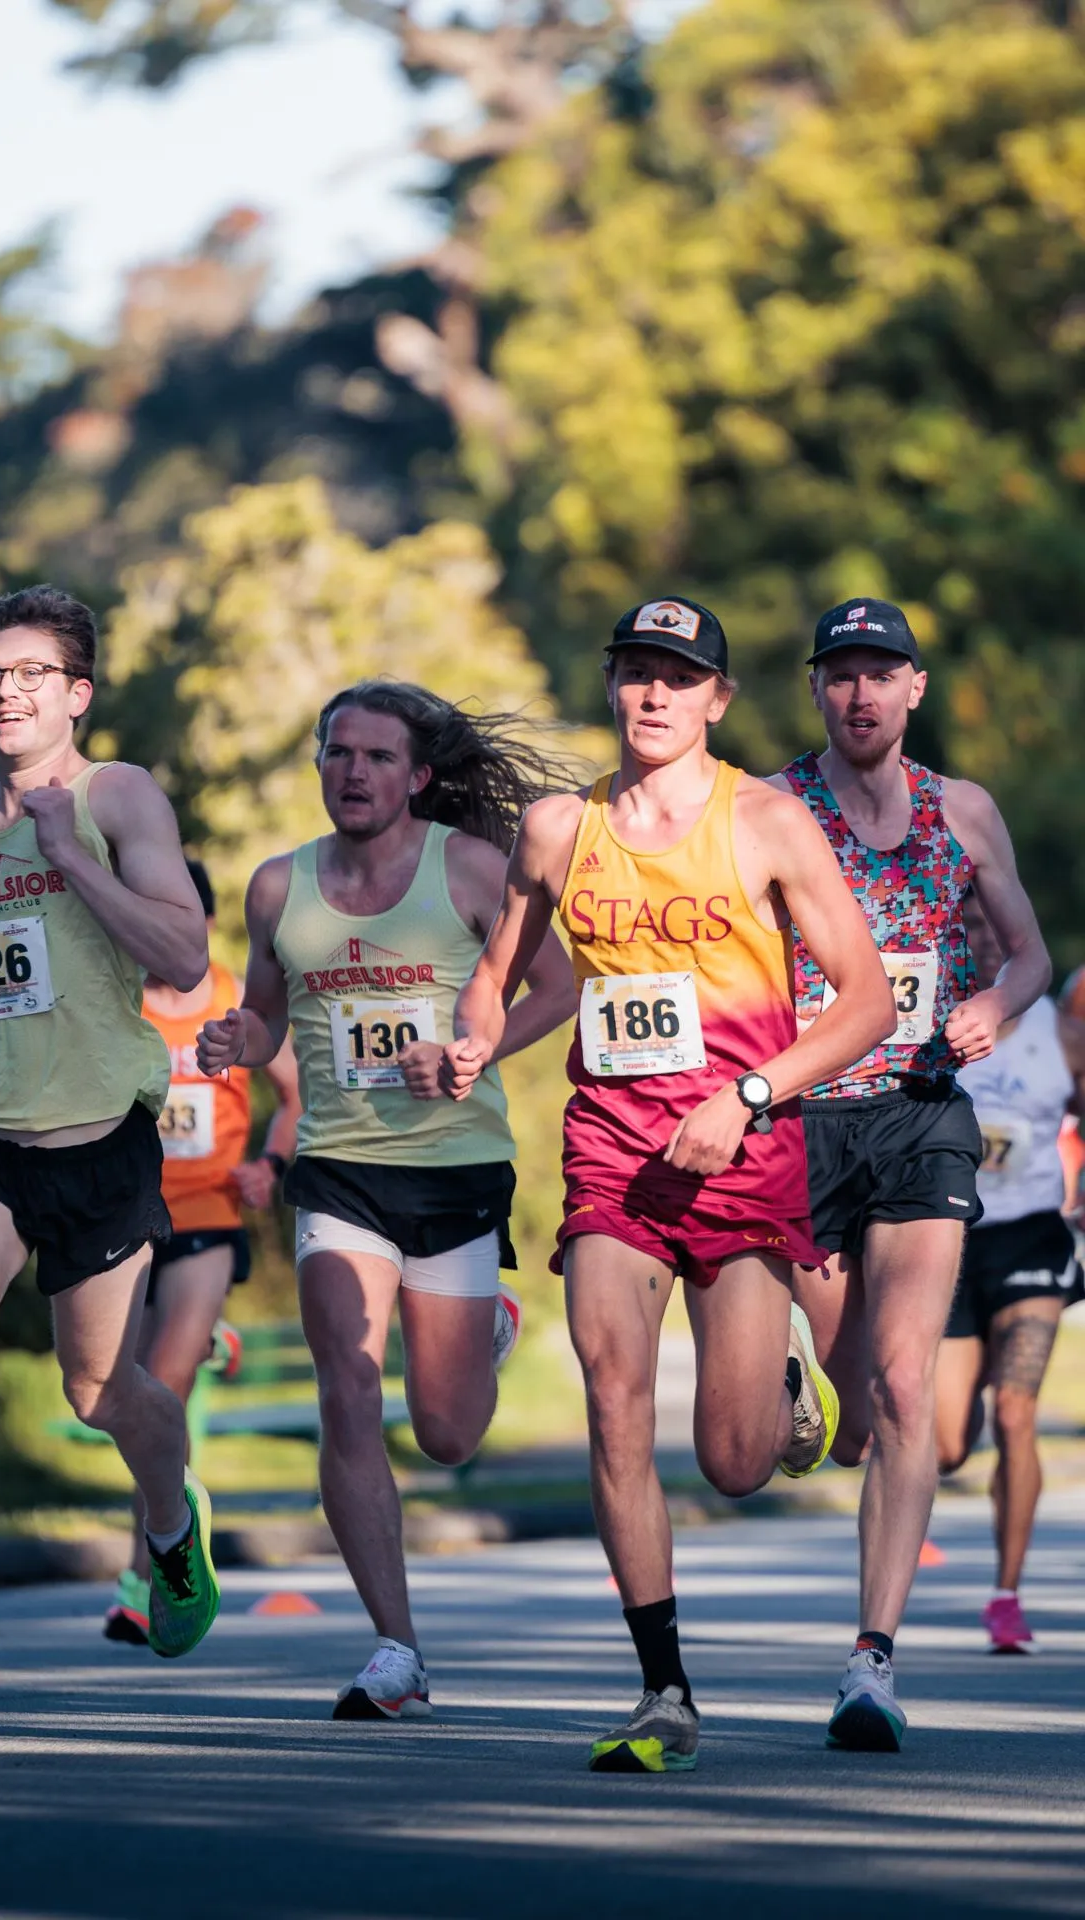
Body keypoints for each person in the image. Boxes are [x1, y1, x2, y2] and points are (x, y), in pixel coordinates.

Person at [446, 596, 895, 1774]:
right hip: (611, 1153)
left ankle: (784, 1377)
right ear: (610, 686)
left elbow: (864, 1004)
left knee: (737, 1461)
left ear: (716, 700)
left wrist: (745, 1097)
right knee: (610, 1390)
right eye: (634, 672)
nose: (651, 694)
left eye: (676, 677)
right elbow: (498, 974)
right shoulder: (557, 829)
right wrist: (466, 1040)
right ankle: (662, 1687)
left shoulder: (765, 822)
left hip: (742, 1151)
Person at [196, 681, 577, 1720]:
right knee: (348, 1389)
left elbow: (559, 986)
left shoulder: (467, 867)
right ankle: (393, 1645)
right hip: (338, 1169)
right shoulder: (277, 889)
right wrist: (241, 1042)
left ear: (415, 776)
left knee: (448, 1434)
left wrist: (472, 1048)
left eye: (373, 756)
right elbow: (266, 1023)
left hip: (454, 1171)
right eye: (334, 754)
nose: (350, 772)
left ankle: (485, 1327)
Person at [0, 585, 221, 1691]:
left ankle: (170, 1529)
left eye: (30, 673)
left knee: (99, 1391)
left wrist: (72, 859)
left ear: (76, 693)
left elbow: (179, 955)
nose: (4, 691)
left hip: (98, 1140)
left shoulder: (115, 795)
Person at [773, 598, 1051, 1750]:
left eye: (879, 674)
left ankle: (870, 1662)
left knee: (899, 1389)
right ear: (817, 691)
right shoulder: (769, 808)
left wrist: (992, 1000)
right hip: (802, 1118)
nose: (859, 695)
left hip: (923, 1113)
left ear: (913, 690)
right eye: (839, 675)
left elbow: (1029, 948)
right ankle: (794, 1382)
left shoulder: (962, 811)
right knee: (840, 1412)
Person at [104, 859, 302, 1644]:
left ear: (202, 924)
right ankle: (155, 1551)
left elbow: (294, 1094)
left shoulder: (231, 996)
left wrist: (271, 1165)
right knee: (121, 1395)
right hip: (128, 1216)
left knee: (166, 1382)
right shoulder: (115, 998)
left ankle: (141, 1576)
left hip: (210, 1216)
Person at [936, 894, 1085, 1650]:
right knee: (944, 1446)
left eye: (996, 931)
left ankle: (1006, 1594)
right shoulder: (936, 1024)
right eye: (969, 929)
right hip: (949, 1242)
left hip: (1031, 1238)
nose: (984, 945)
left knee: (1018, 1411)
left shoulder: (1059, 1037)